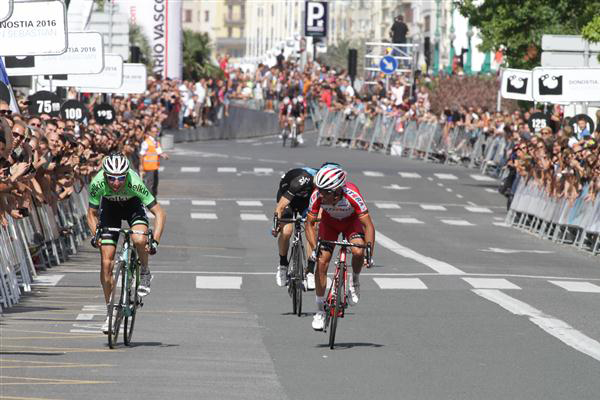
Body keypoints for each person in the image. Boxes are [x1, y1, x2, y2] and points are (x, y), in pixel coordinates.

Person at [86, 152, 167, 334]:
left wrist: (155, 241)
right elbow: (90, 214)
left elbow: (160, 213)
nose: (116, 183)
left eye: (121, 178)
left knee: (139, 238)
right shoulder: (97, 182)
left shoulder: (134, 183)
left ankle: (144, 270)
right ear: (105, 175)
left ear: (126, 175)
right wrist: (95, 235)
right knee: (106, 263)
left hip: (133, 207)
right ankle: (110, 313)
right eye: (112, 178)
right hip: (109, 210)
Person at [305, 165, 375, 331]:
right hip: (329, 225)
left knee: (358, 250)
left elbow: (368, 226)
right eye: (319, 190)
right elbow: (309, 224)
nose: (320, 194)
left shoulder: (352, 194)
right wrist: (315, 247)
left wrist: (369, 253)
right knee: (322, 261)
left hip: (351, 223)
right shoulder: (317, 196)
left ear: (337, 191)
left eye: (325, 191)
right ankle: (320, 310)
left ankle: (355, 279)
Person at [271, 166, 318, 289]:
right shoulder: (300, 182)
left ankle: (310, 271)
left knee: (313, 228)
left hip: (306, 202)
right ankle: (283, 265)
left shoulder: (322, 189)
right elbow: (280, 207)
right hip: (288, 199)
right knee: (286, 231)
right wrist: (276, 225)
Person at [139, 125, 169, 197]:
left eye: (156, 131)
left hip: (154, 167)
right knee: (150, 184)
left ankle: (153, 199)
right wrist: (141, 165)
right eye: (154, 132)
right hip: (148, 167)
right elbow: (141, 154)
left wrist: (163, 155)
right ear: (149, 132)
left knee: (155, 184)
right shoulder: (146, 142)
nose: (155, 133)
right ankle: (148, 200)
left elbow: (159, 152)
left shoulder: (155, 142)